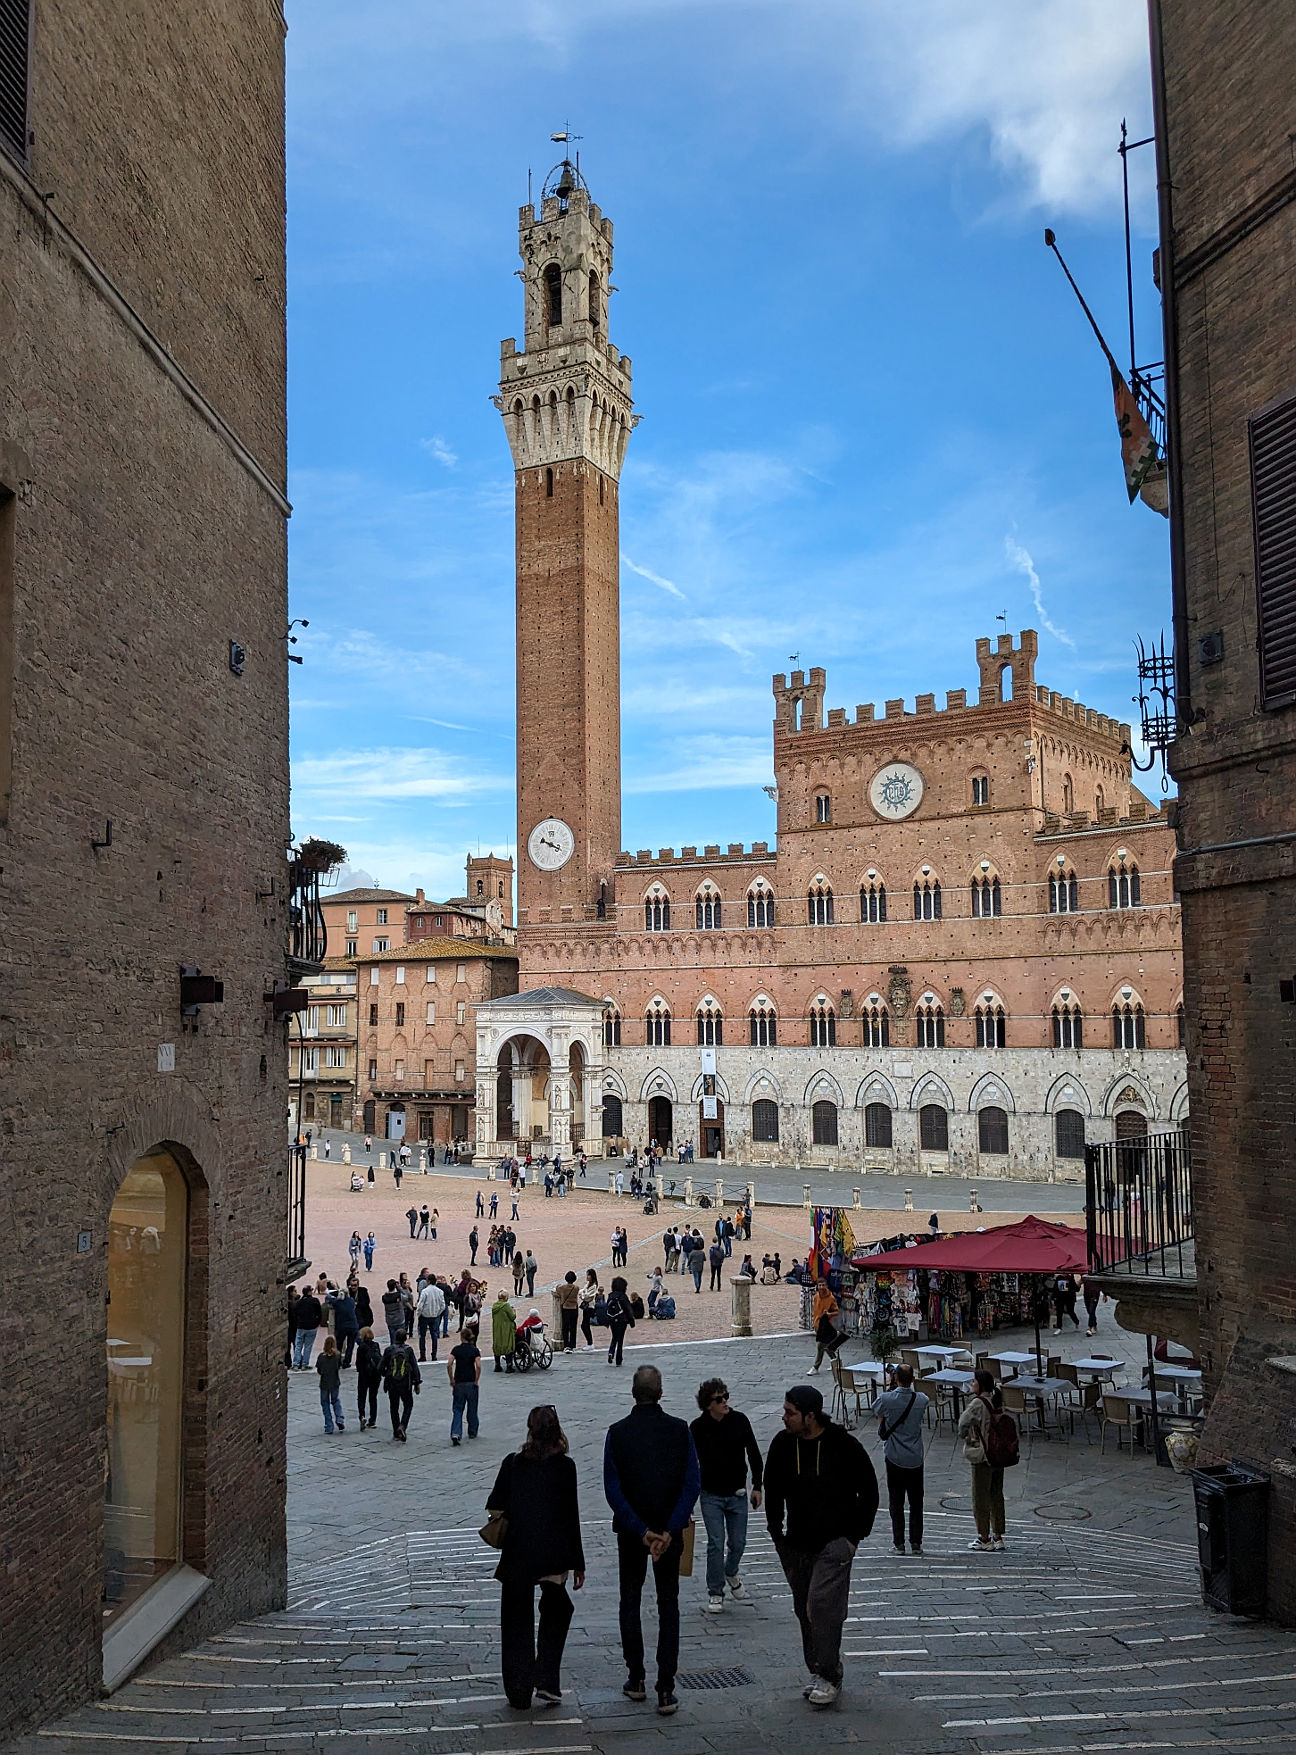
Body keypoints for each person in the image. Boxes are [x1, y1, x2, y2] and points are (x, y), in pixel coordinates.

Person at [765, 1383, 879, 1710]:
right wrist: (777, 1535)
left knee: (822, 1608)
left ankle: (829, 1674)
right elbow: (771, 1490)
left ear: (810, 1416)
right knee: (805, 1610)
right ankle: (818, 1670)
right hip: (795, 1544)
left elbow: (869, 1491)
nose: (784, 1417)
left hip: (834, 1544)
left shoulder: (843, 1445)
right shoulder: (783, 1445)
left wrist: (854, 1538)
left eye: (790, 1413)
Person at [603, 1365, 700, 1717]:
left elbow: (612, 1488)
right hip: (669, 1529)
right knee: (668, 1603)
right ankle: (666, 1688)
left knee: (630, 1600)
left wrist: (641, 1530)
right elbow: (692, 1482)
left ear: (633, 1393)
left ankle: (636, 1677)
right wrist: (669, 1529)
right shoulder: (679, 1430)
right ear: (661, 1393)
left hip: (632, 1533)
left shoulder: (617, 1433)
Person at [486, 1405, 586, 1711]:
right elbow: (572, 1517)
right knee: (558, 1609)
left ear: (530, 1430)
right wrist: (578, 1562)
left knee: (516, 1621)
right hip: (553, 1554)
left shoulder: (513, 1463)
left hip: (518, 1553)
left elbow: (495, 1507)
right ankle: (546, 1680)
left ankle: (518, 1689)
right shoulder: (565, 1467)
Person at [690, 1379, 763, 1613]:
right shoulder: (698, 1428)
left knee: (738, 1543)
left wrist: (757, 1486)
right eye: (719, 1399)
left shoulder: (739, 1421)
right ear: (708, 1404)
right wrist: (688, 1500)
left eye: (726, 1396)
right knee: (715, 1543)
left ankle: (731, 1572)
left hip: (737, 1493)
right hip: (710, 1494)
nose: (725, 1402)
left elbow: (753, 1453)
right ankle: (715, 1591)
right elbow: (690, 1464)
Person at [873, 1364, 930, 1556]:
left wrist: (891, 1387)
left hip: (894, 1455)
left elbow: (877, 1410)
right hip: (915, 1456)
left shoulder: (886, 1399)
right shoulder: (922, 1399)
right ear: (913, 1379)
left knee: (896, 1501)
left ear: (895, 1378)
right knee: (916, 1502)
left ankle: (899, 1543)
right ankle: (916, 1542)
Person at [957, 1369, 1009, 1551]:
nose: (972, 1384)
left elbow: (962, 1424)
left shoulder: (977, 1403)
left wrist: (967, 1437)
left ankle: (984, 1537)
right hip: (999, 1455)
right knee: (996, 1495)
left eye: (974, 1382)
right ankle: (998, 1535)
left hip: (982, 1455)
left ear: (980, 1384)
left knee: (980, 1497)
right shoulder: (997, 1401)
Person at [381, 1328, 421, 1441]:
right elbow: (414, 1367)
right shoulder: (408, 1350)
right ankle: (402, 1425)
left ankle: (396, 1432)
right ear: (405, 1339)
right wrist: (417, 1382)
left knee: (394, 1407)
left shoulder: (389, 1350)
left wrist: (387, 1374)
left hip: (392, 1383)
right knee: (408, 1405)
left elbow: (380, 1367)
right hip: (405, 1382)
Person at [449, 1322, 482, 1445]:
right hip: (471, 1382)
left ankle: (456, 1433)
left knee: (457, 1409)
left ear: (461, 1337)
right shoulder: (475, 1350)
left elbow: (449, 1363)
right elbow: (478, 1365)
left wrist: (451, 1378)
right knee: (472, 1409)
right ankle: (472, 1431)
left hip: (459, 1382)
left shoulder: (456, 1350)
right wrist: (477, 1379)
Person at [809, 1279, 844, 1372]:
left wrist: (829, 1314)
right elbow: (816, 1311)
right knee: (827, 1346)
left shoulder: (831, 1298)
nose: (821, 1287)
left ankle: (816, 1367)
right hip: (819, 1325)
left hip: (828, 1325)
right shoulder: (816, 1296)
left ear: (826, 1286)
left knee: (820, 1346)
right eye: (819, 1285)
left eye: (823, 1285)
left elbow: (836, 1311)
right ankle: (836, 1361)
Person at [355, 1326, 383, 1429]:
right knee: (373, 1397)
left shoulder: (361, 1348)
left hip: (364, 1374)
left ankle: (362, 1415)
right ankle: (372, 1420)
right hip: (375, 1375)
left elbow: (358, 1363)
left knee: (361, 1396)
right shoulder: (376, 1345)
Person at [605, 1274, 635, 1366]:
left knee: (614, 1337)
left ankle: (611, 1352)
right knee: (620, 1339)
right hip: (622, 1320)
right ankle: (619, 1358)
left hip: (612, 1319)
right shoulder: (623, 1296)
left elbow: (607, 1308)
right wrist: (631, 1321)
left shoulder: (610, 1296)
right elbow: (628, 1309)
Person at [328, 1285, 359, 1368]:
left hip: (342, 1326)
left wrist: (335, 1293)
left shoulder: (336, 1302)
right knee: (350, 1345)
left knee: (339, 1344)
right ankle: (347, 1362)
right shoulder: (351, 1301)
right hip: (353, 1325)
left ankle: (337, 1361)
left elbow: (328, 1298)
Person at [292, 1285, 323, 1370]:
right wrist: (317, 1323)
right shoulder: (315, 1301)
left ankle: (296, 1363)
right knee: (308, 1346)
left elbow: (295, 1314)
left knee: (298, 1346)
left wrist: (298, 1323)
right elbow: (320, 1314)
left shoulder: (299, 1302)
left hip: (301, 1327)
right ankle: (304, 1364)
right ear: (309, 1292)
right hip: (312, 1327)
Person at [416, 1275, 446, 1363]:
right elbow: (442, 1305)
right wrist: (437, 1313)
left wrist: (418, 1314)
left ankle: (423, 1355)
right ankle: (434, 1355)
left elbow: (420, 1305)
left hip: (424, 1316)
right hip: (434, 1316)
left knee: (422, 1336)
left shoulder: (425, 1291)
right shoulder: (439, 1291)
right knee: (434, 1336)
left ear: (428, 1281)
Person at [492, 1289, 517, 1373]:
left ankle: (497, 1365)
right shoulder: (506, 1305)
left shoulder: (494, 1306)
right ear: (505, 1297)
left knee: (497, 1344)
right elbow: (512, 1316)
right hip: (506, 1328)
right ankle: (509, 1366)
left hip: (497, 1328)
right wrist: (514, 1311)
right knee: (507, 1344)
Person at [558, 1272, 580, 1351]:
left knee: (565, 1327)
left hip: (566, 1308)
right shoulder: (576, 1288)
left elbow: (557, 1289)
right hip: (574, 1308)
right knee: (573, 1327)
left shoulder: (563, 1287)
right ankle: (572, 1345)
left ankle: (566, 1345)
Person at [579, 1270, 601, 1350]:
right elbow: (581, 1292)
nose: (587, 1277)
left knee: (585, 1325)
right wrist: (583, 1294)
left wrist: (583, 1294)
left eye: (588, 1275)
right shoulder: (588, 1284)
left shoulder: (594, 1286)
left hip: (590, 1307)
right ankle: (589, 1343)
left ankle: (590, 1343)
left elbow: (587, 1296)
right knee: (585, 1325)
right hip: (586, 1307)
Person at [380, 1279, 405, 1346]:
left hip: (390, 1320)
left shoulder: (384, 1297)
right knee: (401, 1338)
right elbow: (406, 1297)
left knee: (392, 1338)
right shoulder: (398, 1295)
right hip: (399, 1319)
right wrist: (399, 1288)